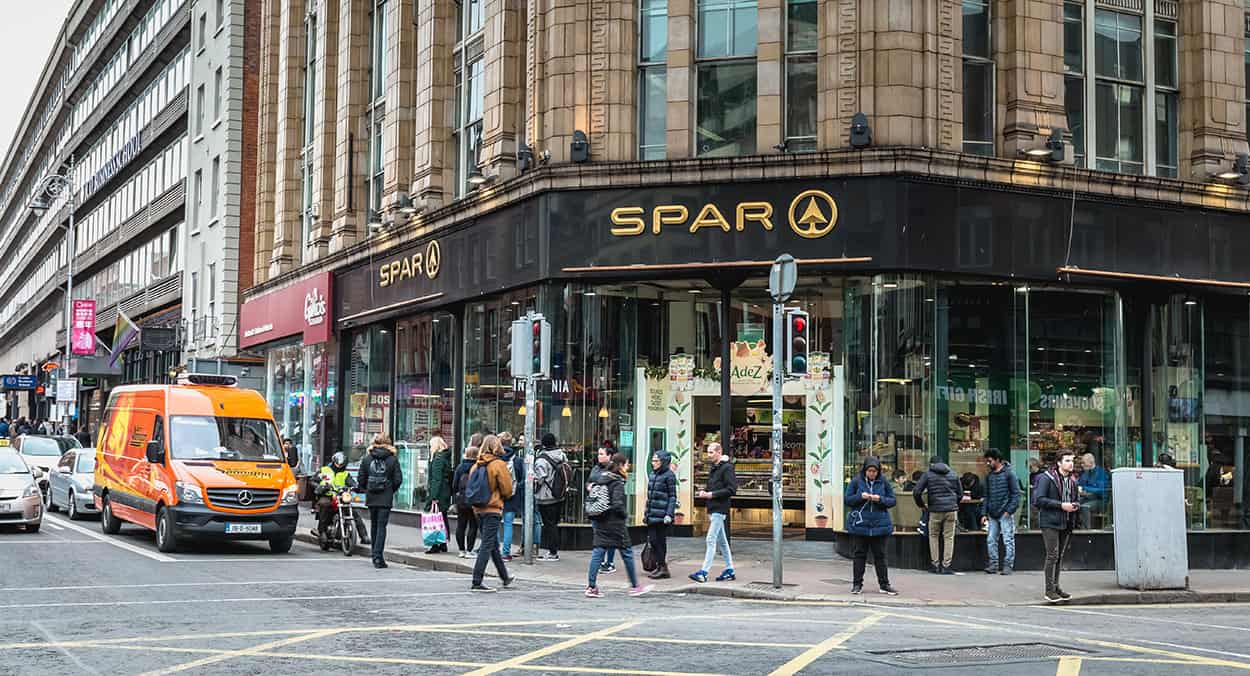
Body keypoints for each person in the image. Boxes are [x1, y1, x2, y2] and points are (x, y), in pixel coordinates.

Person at [585, 453, 653, 598]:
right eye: (627, 464)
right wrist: (624, 515)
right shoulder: (617, 482)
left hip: (600, 519)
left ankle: (591, 586)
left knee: (598, 552)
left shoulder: (602, 478)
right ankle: (635, 586)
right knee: (627, 553)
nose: (628, 467)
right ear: (621, 465)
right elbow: (617, 504)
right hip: (615, 524)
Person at [844, 456, 899, 595]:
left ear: (878, 471)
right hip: (861, 525)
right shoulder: (856, 482)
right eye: (869, 471)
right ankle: (857, 585)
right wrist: (860, 497)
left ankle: (884, 585)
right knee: (859, 555)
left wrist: (879, 499)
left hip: (880, 526)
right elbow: (847, 499)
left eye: (875, 471)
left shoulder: (884, 482)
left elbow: (892, 500)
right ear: (865, 470)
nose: (872, 473)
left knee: (880, 556)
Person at [468, 434, 516, 592]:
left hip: (478, 509)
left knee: (493, 544)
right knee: (488, 544)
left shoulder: (476, 464)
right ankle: (477, 580)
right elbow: (507, 489)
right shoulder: (498, 464)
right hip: (492, 508)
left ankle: (504, 576)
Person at [1034, 451, 1079, 603]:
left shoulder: (1072, 480)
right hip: (1050, 522)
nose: (1071, 463)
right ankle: (1049, 590)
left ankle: (1056, 587)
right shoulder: (1047, 478)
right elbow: (1039, 500)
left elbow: (1075, 499)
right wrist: (1061, 506)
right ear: (1059, 463)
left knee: (1059, 556)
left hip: (1065, 522)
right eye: (1067, 460)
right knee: (1052, 555)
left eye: (1072, 460)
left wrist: (1075, 505)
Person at [689, 441, 737, 583]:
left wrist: (711, 495)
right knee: (722, 542)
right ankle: (729, 570)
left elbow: (732, 489)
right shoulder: (715, 468)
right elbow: (714, 486)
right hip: (713, 507)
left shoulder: (726, 468)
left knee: (710, 539)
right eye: (708, 452)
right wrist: (706, 492)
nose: (708, 455)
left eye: (711, 452)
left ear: (719, 452)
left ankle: (704, 572)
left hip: (719, 508)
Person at [355, 434, 402, 568]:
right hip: (385, 497)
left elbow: (361, 479)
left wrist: (367, 489)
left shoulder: (367, 459)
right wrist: (389, 490)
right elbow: (398, 480)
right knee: (382, 526)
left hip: (371, 497)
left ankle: (374, 554)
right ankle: (378, 557)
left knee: (374, 525)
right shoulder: (392, 459)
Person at [913, 456, 962, 574]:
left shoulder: (928, 474)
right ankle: (946, 566)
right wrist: (954, 503)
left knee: (933, 536)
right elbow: (960, 493)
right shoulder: (953, 473)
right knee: (949, 537)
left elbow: (917, 491)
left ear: (931, 464)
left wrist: (921, 505)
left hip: (935, 510)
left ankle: (935, 565)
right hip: (951, 510)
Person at [498, 432, 539, 561]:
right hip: (512, 497)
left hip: (496, 497)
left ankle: (492, 551)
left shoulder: (496, 459)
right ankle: (505, 553)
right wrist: (514, 489)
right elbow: (523, 480)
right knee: (508, 524)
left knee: (493, 524)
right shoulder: (517, 460)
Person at [314, 452, 371, 545]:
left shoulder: (345, 473)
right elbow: (313, 481)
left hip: (340, 496)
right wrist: (321, 487)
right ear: (334, 462)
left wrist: (356, 486)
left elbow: (351, 482)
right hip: (327, 495)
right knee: (324, 505)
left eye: (341, 464)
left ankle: (364, 536)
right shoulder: (324, 470)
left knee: (354, 513)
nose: (339, 466)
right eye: (338, 464)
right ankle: (322, 531)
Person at [980, 449, 1020, 575]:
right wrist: (983, 513)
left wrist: (1009, 511)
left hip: (1004, 512)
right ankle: (994, 564)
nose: (987, 463)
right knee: (991, 539)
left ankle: (1007, 565)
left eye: (989, 460)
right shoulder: (989, 476)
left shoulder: (1009, 474)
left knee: (1007, 539)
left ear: (997, 460)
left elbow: (1016, 494)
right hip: (993, 513)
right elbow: (986, 496)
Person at [533, 433, 569, 561]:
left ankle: (553, 552)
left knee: (549, 525)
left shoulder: (541, 459)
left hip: (546, 497)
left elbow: (540, 479)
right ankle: (553, 550)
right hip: (559, 494)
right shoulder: (562, 455)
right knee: (554, 523)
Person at [644, 450, 677, 579]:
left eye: (656, 461)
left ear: (663, 462)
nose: (653, 463)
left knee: (660, 542)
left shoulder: (669, 476)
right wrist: (647, 513)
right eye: (652, 461)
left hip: (662, 516)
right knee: (653, 541)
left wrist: (669, 514)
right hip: (652, 514)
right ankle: (659, 565)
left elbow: (672, 496)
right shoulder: (653, 474)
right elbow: (650, 497)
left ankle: (662, 567)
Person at [587, 446, 617, 573]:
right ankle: (601, 560)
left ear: (609, 456)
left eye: (601, 454)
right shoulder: (595, 468)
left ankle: (609, 562)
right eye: (598, 454)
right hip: (596, 506)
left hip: (609, 507)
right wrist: (589, 486)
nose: (599, 456)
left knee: (610, 535)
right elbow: (589, 481)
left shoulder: (614, 469)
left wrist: (597, 486)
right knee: (598, 534)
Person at [425, 435, 453, 553]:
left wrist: (433, 496)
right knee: (442, 518)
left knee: (435, 519)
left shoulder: (438, 459)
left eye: (431, 446)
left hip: (439, 493)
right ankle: (443, 542)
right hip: (445, 491)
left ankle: (436, 544)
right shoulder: (445, 457)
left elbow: (436, 479)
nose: (430, 448)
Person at [452, 446, 480, 558]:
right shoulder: (478, 466)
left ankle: (461, 550)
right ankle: (469, 550)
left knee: (461, 525)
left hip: (461, 500)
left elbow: (454, 485)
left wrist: (456, 495)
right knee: (473, 525)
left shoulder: (460, 467)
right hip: (474, 500)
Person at [1076, 452, 1110, 529]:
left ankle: (1086, 531)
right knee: (1074, 504)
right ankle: (1076, 526)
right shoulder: (1085, 473)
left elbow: (1102, 491)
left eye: (1083, 463)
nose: (1082, 465)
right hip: (1088, 498)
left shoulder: (1101, 473)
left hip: (1101, 501)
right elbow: (1079, 484)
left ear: (1091, 463)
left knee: (1085, 507)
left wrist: (1084, 488)